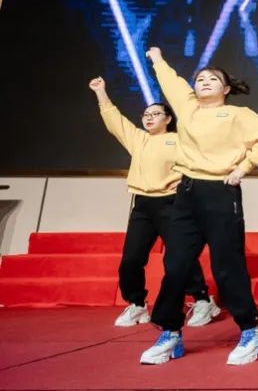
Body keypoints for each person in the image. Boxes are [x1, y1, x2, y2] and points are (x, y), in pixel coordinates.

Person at [138, 47, 258, 366]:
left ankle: (251, 330)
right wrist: (158, 59)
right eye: (200, 78)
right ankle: (171, 333)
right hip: (187, 193)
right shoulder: (187, 107)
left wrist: (243, 167)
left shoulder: (238, 115)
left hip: (221, 192)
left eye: (213, 79)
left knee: (226, 266)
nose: (204, 81)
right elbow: (171, 82)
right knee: (176, 265)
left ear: (226, 89)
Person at [88, 77, 220, 328]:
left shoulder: (179, 139)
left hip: (172, 203)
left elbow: (199, 162)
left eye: (155, 114)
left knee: (179, 256)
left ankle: (203, 299)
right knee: (131, 259)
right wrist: (100, 92)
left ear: (168, 119)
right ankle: (137, 304)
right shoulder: (138, 138)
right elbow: (114, 120)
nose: (149, 118)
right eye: (146, 115)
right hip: (142, 205)